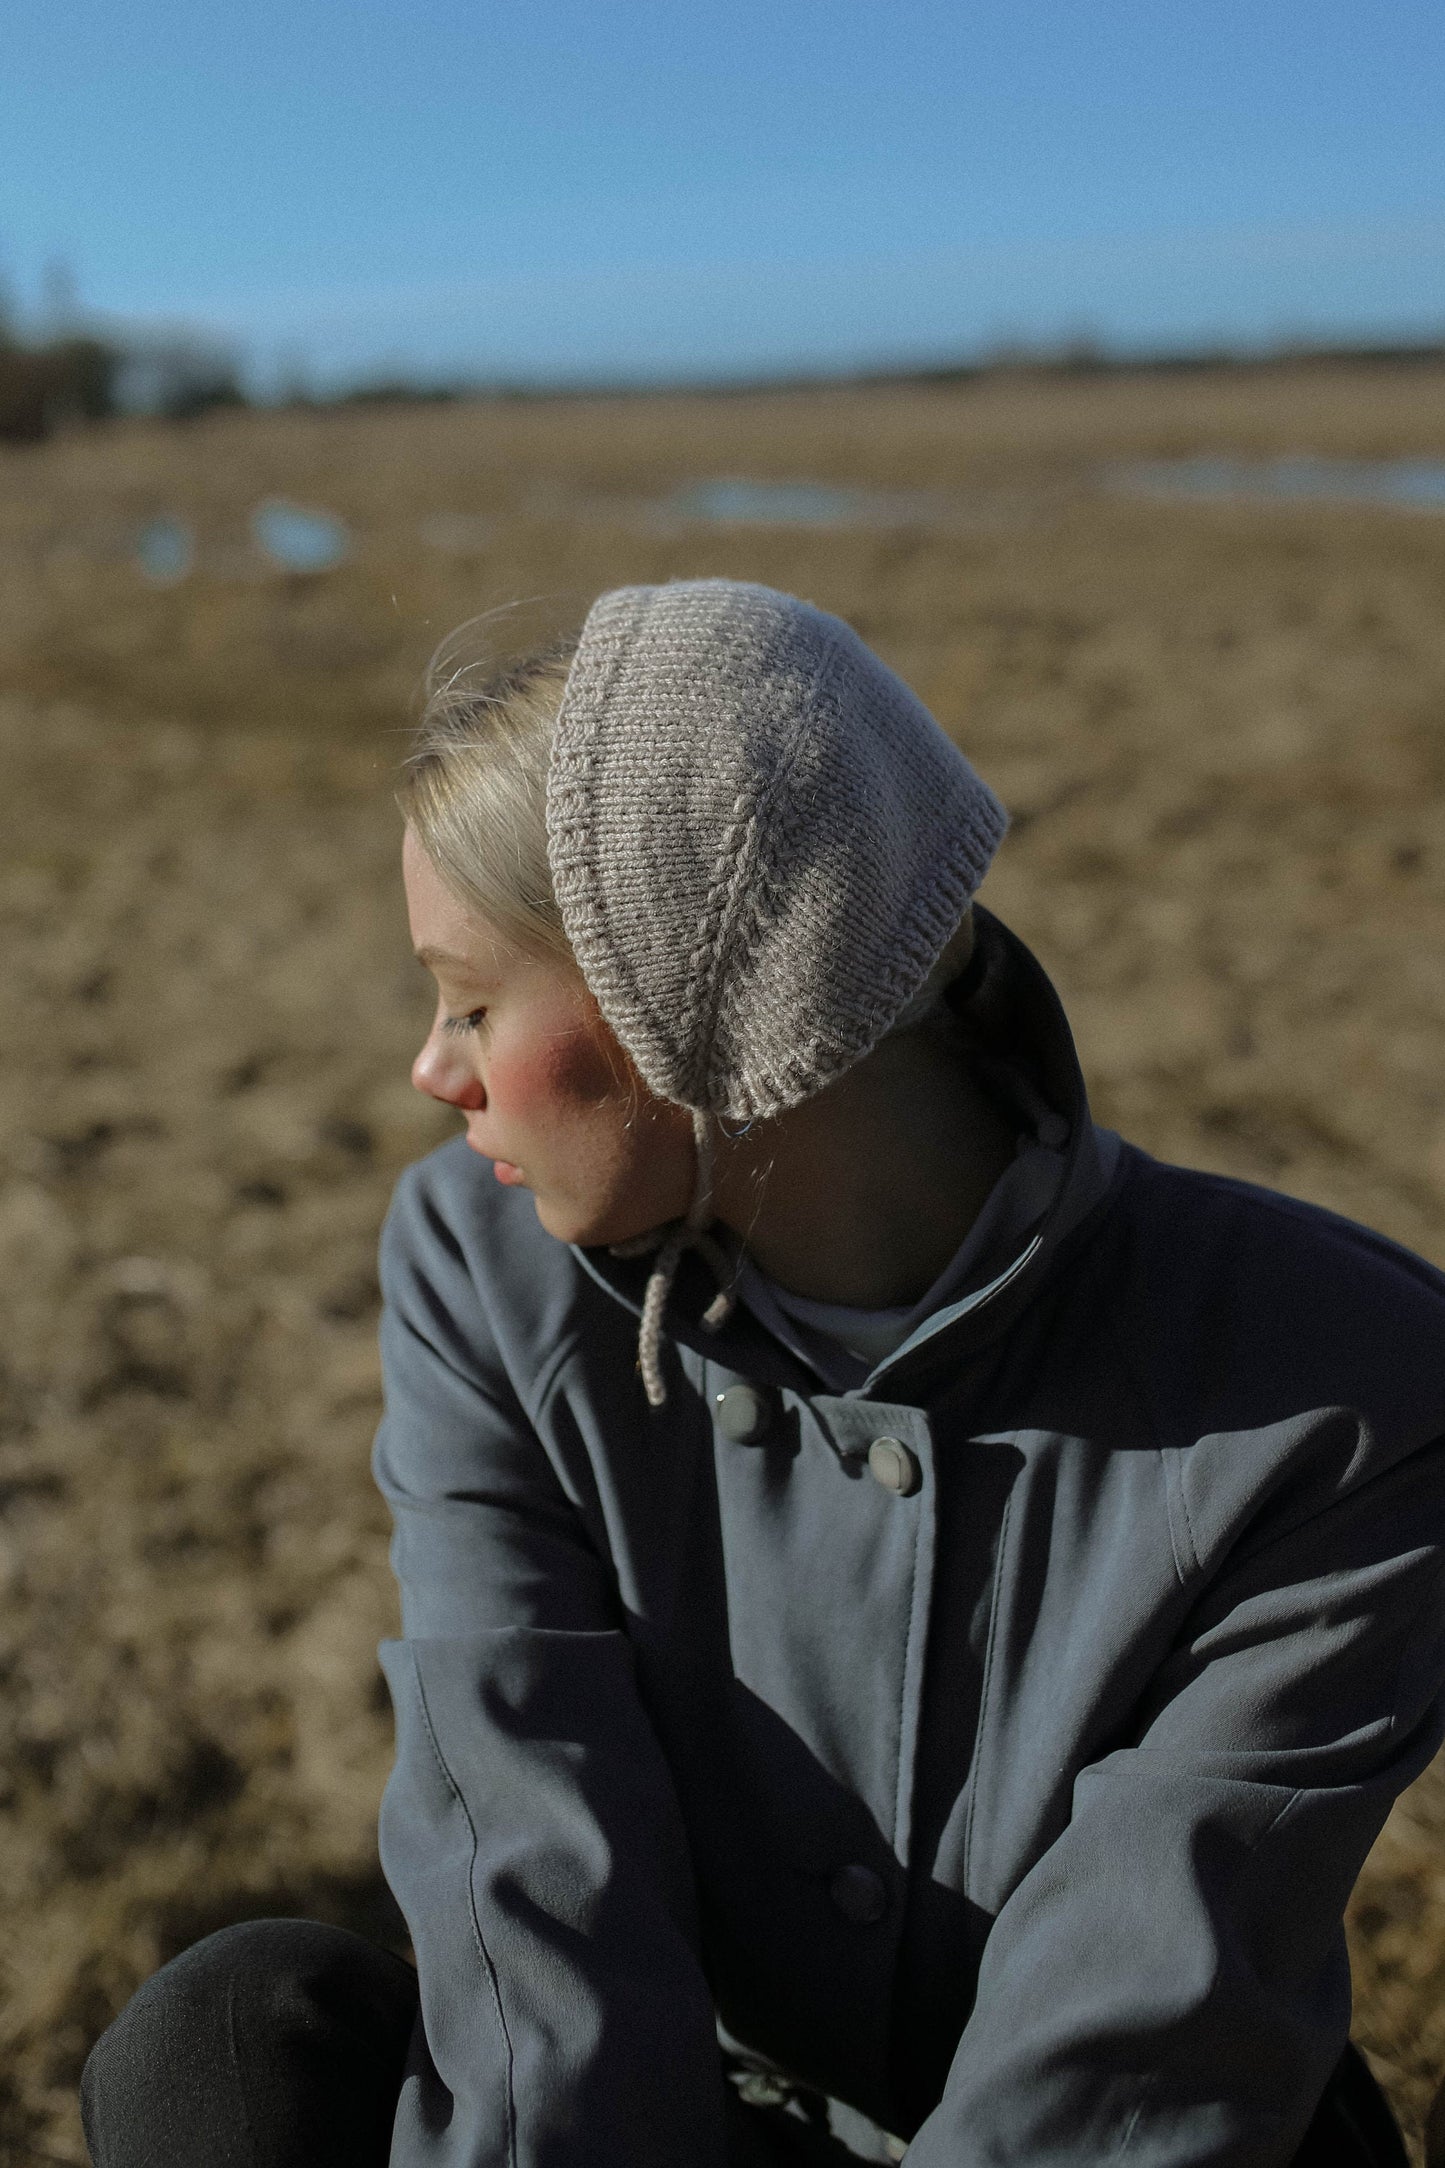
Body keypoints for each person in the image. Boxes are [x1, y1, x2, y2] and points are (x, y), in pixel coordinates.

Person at [80, 578, 1445, 2168]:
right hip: (701, 2127)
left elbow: (1142, 2037)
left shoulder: (1345, 1396)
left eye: (469, 999)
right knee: (231, 2044)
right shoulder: (481, 1267)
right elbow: (534, 1865)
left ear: (687, 1004)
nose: (430, 1071)